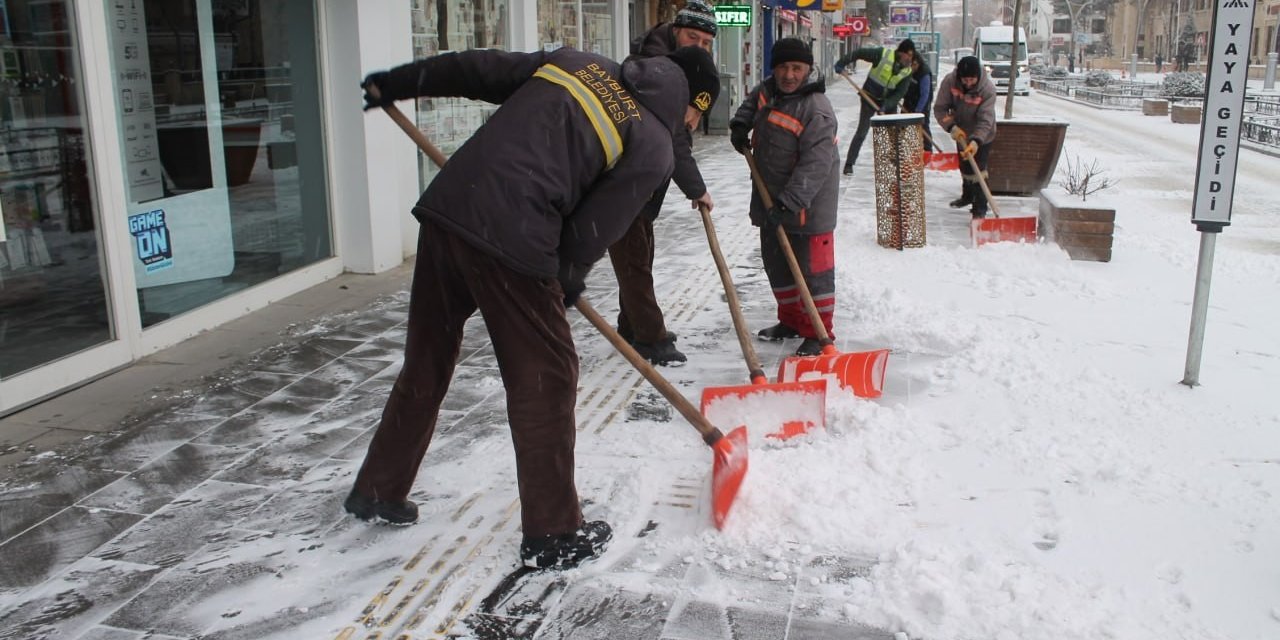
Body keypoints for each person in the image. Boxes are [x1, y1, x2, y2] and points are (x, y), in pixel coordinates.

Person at [350, 45, 720, 570]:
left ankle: (378, 489)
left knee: (428, 359)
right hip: (515, 238)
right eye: (695, 116)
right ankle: (553, 532)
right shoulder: (656, 143)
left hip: (449, 209)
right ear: (688, 103)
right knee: (547, 375)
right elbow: (595, 228)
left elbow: (476, 70)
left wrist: (398, 81)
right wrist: (564, 281)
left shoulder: (576, 64)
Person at [608, 0, 718, 366]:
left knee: (640, 253)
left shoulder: (680, 64)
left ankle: (632, 325)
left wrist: (699, 103)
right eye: (692, 37)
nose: (698, 47)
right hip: (622, 176)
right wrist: (697, 188)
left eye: (706, 42)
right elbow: (674, 137)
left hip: (643, 177)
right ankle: (650, 338)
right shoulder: (656, 68)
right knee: (635, 259)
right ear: (675, 29)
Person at [729, 38, 840, 357]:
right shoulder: (770, 90)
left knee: (812, 274)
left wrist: (787, 204)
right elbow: (754, 100)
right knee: (777, 266)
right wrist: (740, 123)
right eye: (782, 67)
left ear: (808, 70)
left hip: (808, 208)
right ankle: (791, 321)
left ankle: (819, 333)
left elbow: (815, 166)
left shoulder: (816, 109)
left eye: (796, 68)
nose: (789, 75)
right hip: (771, 200)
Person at [833, 39, 917, 176]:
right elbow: (859, 53)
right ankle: (849, 164)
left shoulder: (907, 71)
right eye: (908, 55)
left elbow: (899, 93)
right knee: (862, 131)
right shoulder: (882, 54)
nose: (909, 59)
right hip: (869, 97)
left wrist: (886, 105)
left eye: (911, 56)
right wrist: (842, 63)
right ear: (900, 52)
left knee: (892, 134)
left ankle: (896, 165)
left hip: (888, 102)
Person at [933, 55, 997, 219]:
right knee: (965, 166)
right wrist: (951, 127)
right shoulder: (950, 82)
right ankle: (967, 196)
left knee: (978, 170)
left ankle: (980, 208)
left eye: (971, 80)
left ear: (978, 76)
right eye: (965, 80)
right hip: (961, 131)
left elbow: (985, 120)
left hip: (982, 134)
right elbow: (940, 109)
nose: (968, 83)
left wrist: (976, 141)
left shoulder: (987, 89)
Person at [902, 54, 935, 150]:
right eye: (910, 64)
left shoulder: (924, 73)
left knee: (923, 128)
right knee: (903, 127)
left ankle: (928, 151)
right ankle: (907, 151)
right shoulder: (906, 70)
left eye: (914, 64)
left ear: (919, 63)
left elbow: (925, 94)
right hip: (909, 102)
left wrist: (918, 111)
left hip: (922, 105)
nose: (912, 67)